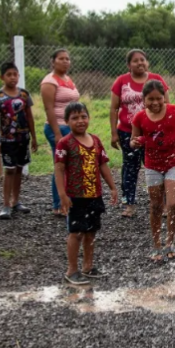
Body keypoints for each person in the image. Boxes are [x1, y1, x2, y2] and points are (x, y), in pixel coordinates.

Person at [54, 102, 119, 285]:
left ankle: (88, 266)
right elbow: (58, 169)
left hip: (94, 195)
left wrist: (112, 187)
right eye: (75, 118)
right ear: (67, 121)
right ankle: (71, 270)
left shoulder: (96, 140)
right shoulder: (65, 143)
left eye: (83, 116)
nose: (80, 121)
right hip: (75, 197)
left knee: (91, 231)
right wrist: (62, 195)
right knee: (76, 232)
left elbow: (103, 165)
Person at [131, 81, 175, 261]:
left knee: (173, 203)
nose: (155, 103)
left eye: (159, 98)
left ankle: (170, 241)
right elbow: (133, 140)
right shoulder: (139, 118)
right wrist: (135, 142)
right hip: (152, 165)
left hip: (173, 163)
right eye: (150, 99)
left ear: (164, 97)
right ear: (143, 100)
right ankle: (156, 244)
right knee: (156, 206)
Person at [110, 50, 170, 218]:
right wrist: (114, 133)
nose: (139, 63)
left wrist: (166, 129)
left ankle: (162, 204)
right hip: (128, 133)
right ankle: (129, 204)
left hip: (154, 133)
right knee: (130, 167)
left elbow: (167, 104)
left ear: (147, 62)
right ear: (129, 65)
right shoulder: (121, 81)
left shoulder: (157, 79)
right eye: (135, 61)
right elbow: (114, 108)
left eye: (142, 60)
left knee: (157, 167)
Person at [0, 63, 38, 220]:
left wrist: (34, 137)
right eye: (9, 74)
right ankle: (6, 204)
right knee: (9, 169)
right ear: (2, 77)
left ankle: (16, 200)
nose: (12, 77)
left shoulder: (24, 95)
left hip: (23, 138)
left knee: (19, 169)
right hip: (7, 140)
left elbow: (30, 116)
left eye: (15, 74)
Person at [41, 49, 81, 217]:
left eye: (67, 59)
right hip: (57, 126)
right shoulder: (49, 82)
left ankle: (68, 200)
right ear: (53, 61)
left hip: (70, 127)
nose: (65, 61)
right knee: (61, 166)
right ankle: (58, 204)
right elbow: (49, 108)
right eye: (61, 59)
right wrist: (57, 133)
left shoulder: (67, 79)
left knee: (70, 165)